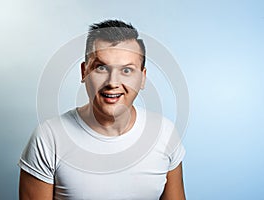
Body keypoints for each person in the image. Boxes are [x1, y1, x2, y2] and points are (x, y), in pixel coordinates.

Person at [19, 19, 186, 200]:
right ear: (84, 72)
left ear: (143, 77)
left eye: (127, 70)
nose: (113, 83)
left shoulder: (164, 133)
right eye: (101, 67)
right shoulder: (48, 138)